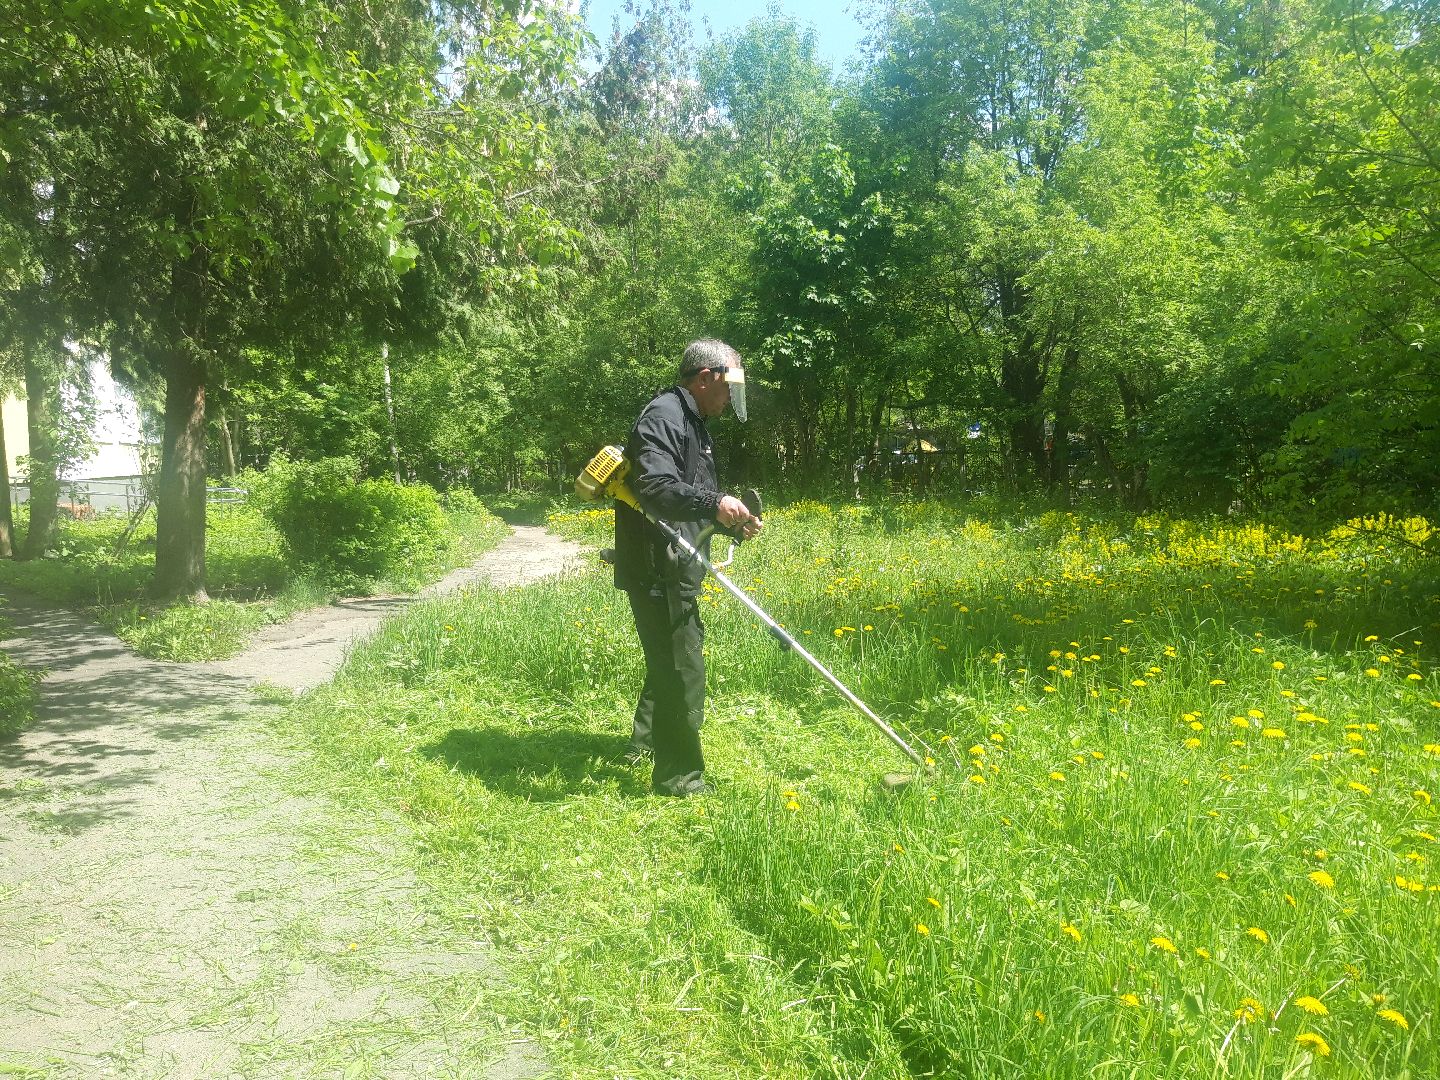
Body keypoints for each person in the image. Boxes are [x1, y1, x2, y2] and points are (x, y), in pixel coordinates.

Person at [613, 339, 762, 796]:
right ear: (706, 377)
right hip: (659, 566)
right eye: (729, 386)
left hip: (676, 560)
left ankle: (644, 746)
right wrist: (716, 502)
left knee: (668, 658)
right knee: (682, 668)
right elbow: (656, 487)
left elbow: (688, 498)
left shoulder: (691, 421)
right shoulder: (665, 416)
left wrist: (728, 522)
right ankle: (679, 777)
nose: (729, 398)